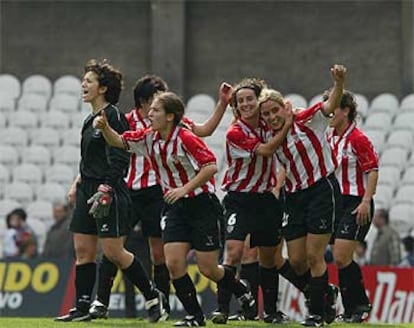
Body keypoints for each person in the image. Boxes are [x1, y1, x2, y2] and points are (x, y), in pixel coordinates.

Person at [93, 90, 256, 327]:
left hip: (202, 205)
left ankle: (240, 288)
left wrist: (183, 189)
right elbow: (119, 141)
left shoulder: (186, 137)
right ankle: (195, 317)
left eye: (156, 110)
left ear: (170, 116)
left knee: (208, 269)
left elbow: (210, 166)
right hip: (175, 207)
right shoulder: (149, 137)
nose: (150, 114)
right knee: (173, 263)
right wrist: (106, 127)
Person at [54, 59, 168, 323]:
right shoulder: (88, 120)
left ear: (103, 88)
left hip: (110, 190)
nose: (83, 84)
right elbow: (88, 160)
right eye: (84, 80)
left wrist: (106, 187)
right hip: (87, 190)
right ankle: (82, 307)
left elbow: (120, 157)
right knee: (83, 251)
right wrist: (77, 183)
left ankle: (153, 296)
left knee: (115, 253)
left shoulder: (114, 116)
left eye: (89, 81)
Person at [261, 65, 346, 327]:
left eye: (275, 110)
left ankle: (316, 315)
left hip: (321, 189)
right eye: (267, 114)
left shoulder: (307, 118)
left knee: (313, 256)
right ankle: (326, 291)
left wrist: (339, 83)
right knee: (296, 262)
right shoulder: (268, 136)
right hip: (294, 196)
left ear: (284, 106)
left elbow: (330, 104)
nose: (272, 116)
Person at [212, 78, 293, 325]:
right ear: (235, 106)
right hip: (238, 199)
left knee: (267, 257)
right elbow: (267, 150)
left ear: (259, 101)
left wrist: (277, 187)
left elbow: (283, 160)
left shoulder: (270, 124)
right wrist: (287, 124)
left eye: (250, 99)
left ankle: (269, 311)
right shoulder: (235, 132)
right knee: (233, 252)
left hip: (266, 199)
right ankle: (222, 309)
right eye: (241, 101)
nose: (246, 104)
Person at [327, 90, 379, 323]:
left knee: (340, 255)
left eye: (334, 106)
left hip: (356, 201)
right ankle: (346, 308)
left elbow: (372, 170)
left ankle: (359, 305)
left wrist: (366, 201)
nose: (328, 111)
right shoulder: (329, 137)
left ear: (346, 110)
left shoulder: (358, 138)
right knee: (331, 257)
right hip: (333, 203)